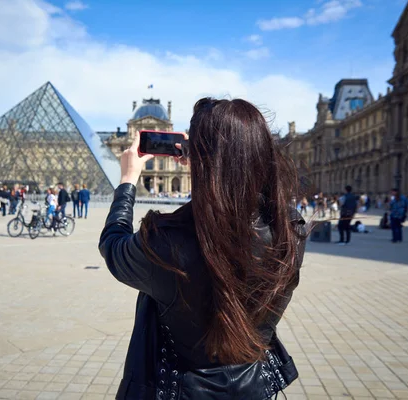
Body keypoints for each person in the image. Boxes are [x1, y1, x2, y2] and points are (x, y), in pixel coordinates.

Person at [99, 98, 306, 399]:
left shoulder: (165, 242)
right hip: (252, 388)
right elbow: (232, 213)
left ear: (202, 161)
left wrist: (128, 181)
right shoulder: (293, 231)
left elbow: (113, 247)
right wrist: (209, 164)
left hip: (180, 389)